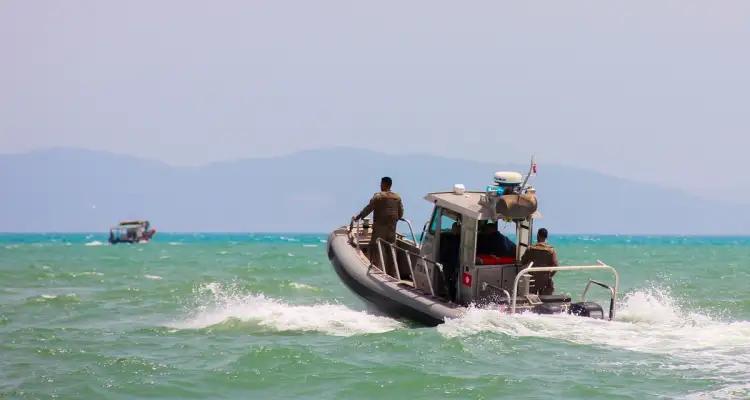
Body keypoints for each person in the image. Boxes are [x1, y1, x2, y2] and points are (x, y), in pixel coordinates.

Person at [353, 177, 404, 271]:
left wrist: (359, 216)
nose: (380, 185)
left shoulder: (378, 196)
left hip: (380, 227)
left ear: (384, 184)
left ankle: (374, 268)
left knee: (374, 246)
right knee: (391, 249)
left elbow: (368, 208)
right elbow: (400, 213)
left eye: (381, 184)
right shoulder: (397, 197)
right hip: (392, 228)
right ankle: (392, 272)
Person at [520, 228, 559, 295]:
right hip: (545, 281)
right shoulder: (551, 250)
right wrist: (550, 276)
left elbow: (523, 261)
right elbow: (556, 265)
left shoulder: (531, 249)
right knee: (549, 288)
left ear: (538, 235)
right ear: (546, 237)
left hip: (532, 281)